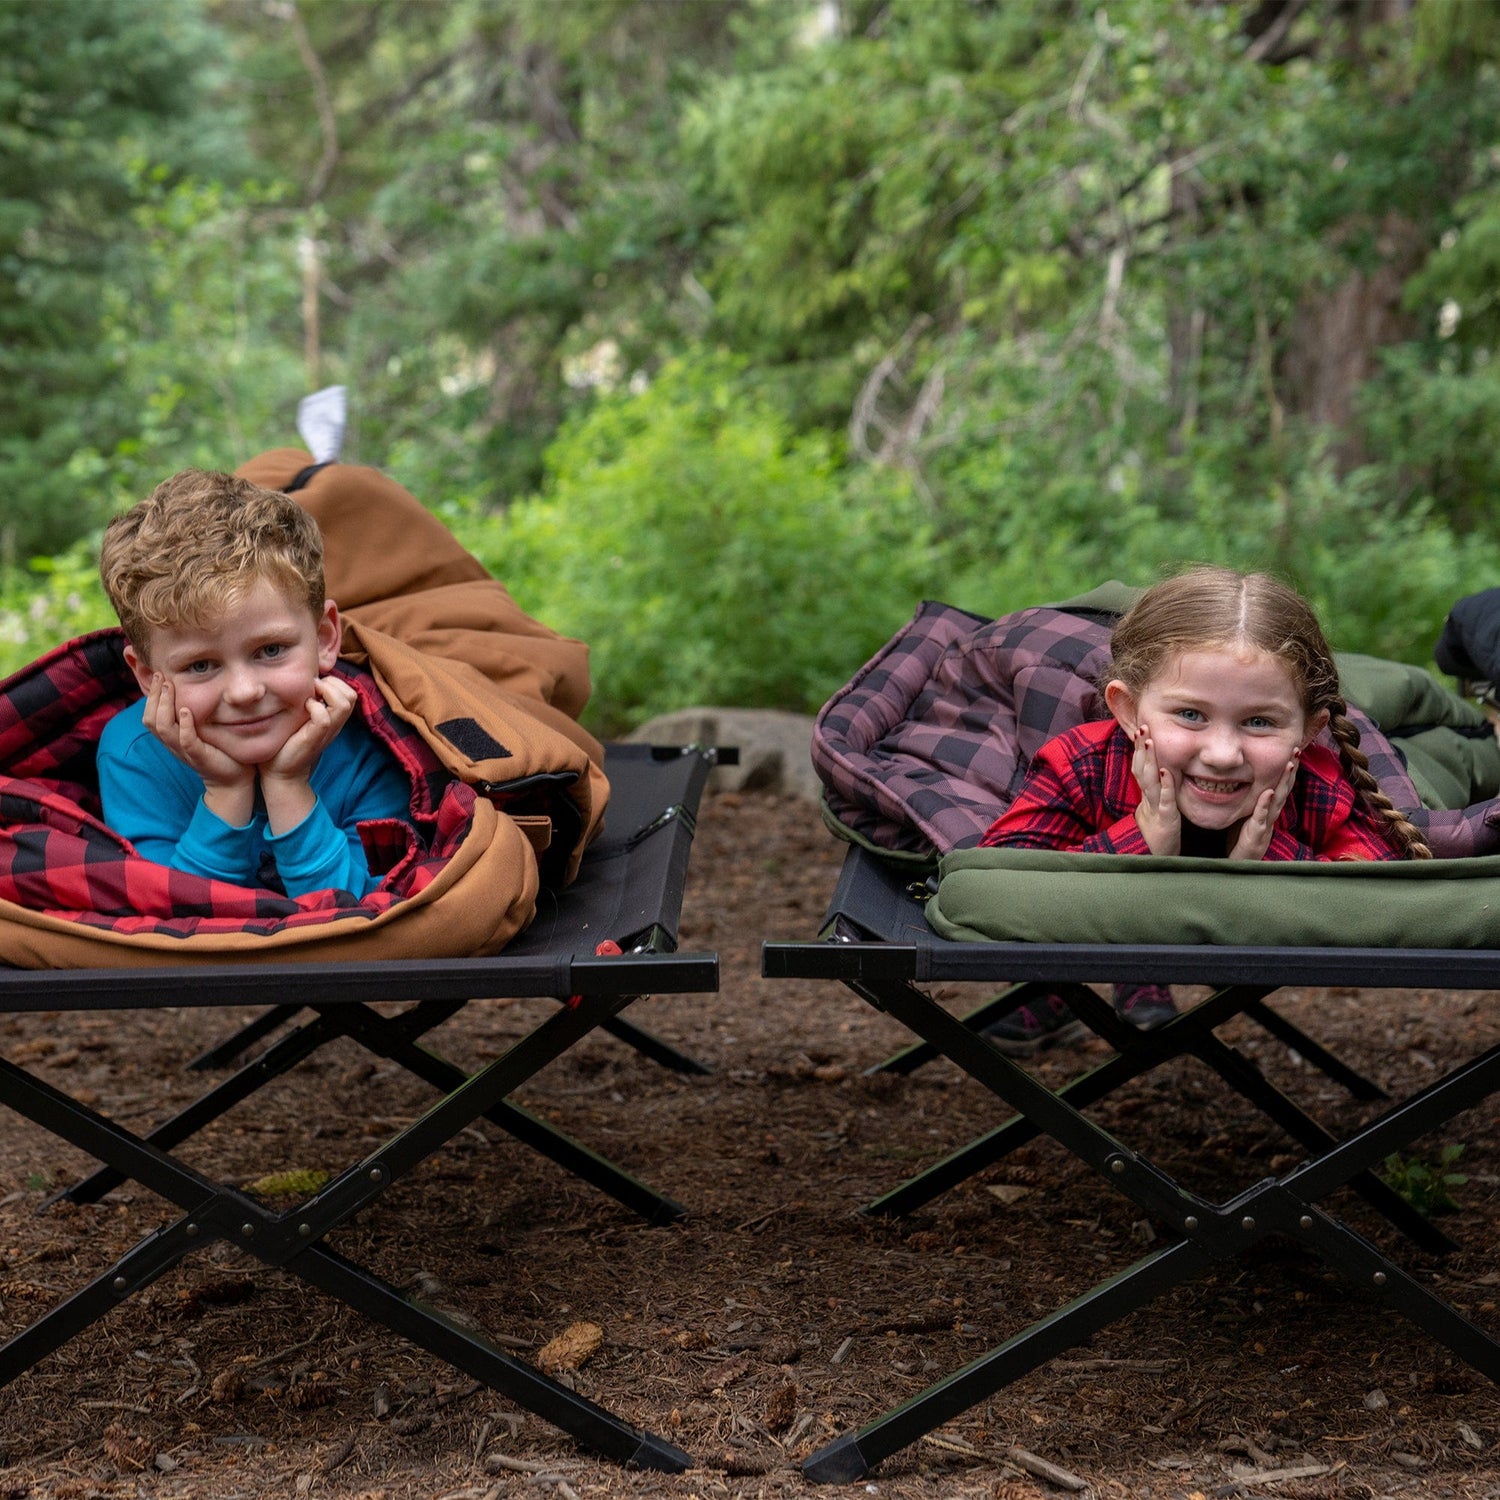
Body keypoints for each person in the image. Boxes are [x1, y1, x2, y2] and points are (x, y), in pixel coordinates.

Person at [978, 565, 1431, 1052]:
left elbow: (1382, 897)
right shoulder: (1082, 763)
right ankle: (1082, 982)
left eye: (1259, 722)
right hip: (1101, 903)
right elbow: (994, 884)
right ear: (1128, 711)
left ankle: (1137, 967)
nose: (1222, 754)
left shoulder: (1315, 782)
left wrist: (1264, 858)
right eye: (1190, 715)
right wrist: (1141, 839)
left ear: (1308, 730)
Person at [96, 469, 412, 898]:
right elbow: (172, 923)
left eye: (271, 650)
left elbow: (367, 911)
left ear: (324, 639)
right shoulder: (133, 754)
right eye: (201, 666)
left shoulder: (375, 741)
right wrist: (225, 791)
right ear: (150, 677)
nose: (245, 692)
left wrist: (288, 787)